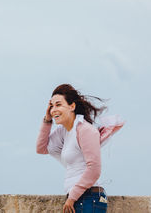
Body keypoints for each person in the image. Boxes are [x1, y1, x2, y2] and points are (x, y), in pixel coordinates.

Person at [36, 84, 124, 213]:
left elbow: (94, 169)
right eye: (52, 106)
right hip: (79, 198)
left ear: (72, 106)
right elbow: (41, 148)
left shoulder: (85, 130)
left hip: (89, 198)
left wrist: (72, 197)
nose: (54, 109)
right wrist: (47, 120)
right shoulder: (64, 132)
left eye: (58, 105)